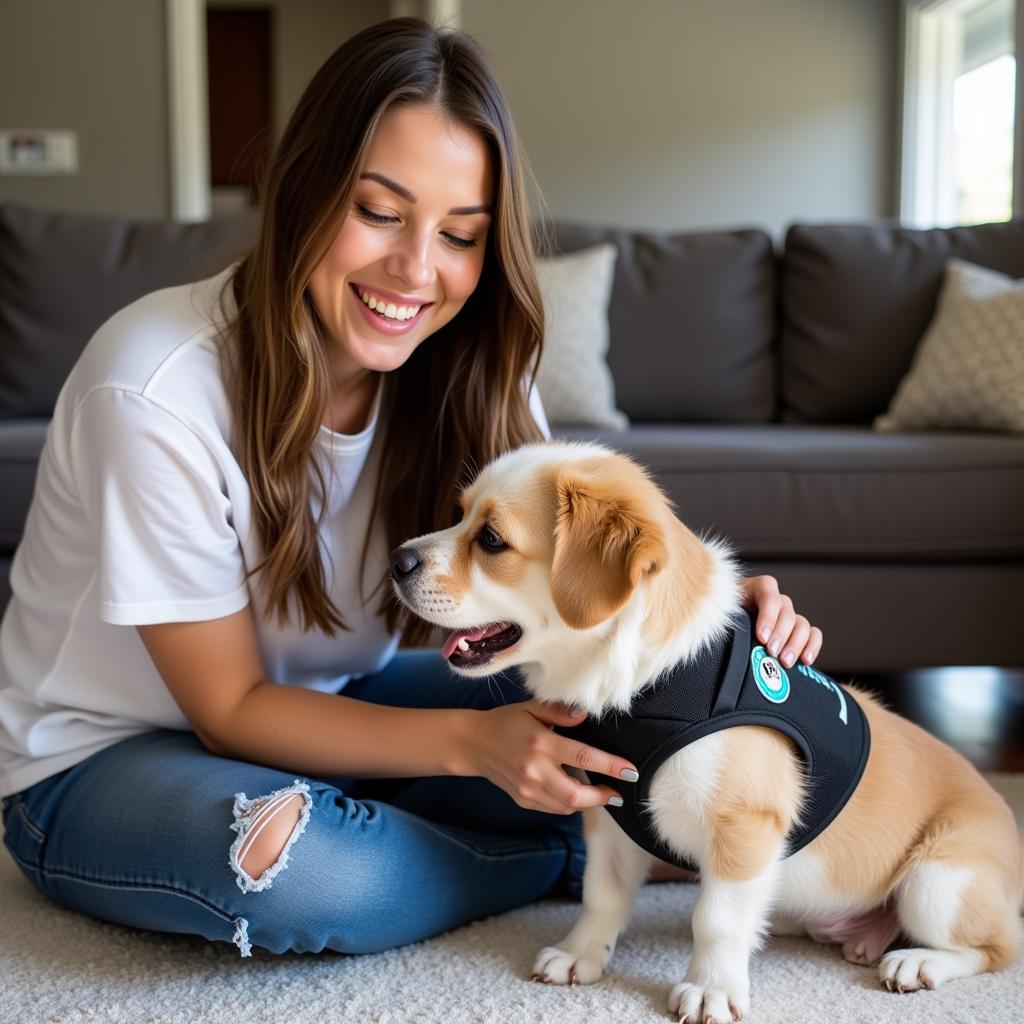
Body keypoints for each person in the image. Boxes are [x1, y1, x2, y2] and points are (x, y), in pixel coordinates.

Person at [0, 18, 822, 958]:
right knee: (295, 865)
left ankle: (532, 834)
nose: (416, 271)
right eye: (380, 213)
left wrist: (701, 614)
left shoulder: (471, 368)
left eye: (460, 234)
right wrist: (472, 749)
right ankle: (551, 860)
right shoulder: (152, 384)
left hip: (342, 693)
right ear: (304, 187)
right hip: (104, 757)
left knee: (644, 727)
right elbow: (227, 713)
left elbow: (566, 583)